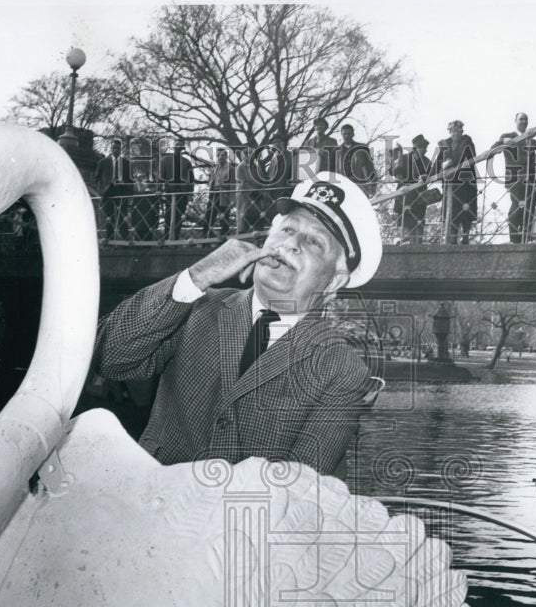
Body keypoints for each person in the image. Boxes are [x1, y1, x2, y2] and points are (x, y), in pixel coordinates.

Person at [93, 172, 383, 476]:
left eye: (314, 242)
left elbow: (299, 486)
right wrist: (197, 275)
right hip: (155, 501)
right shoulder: (195, 306)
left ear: (335, 280)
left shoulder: (342, 369)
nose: (291, 244)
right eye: (287, 229)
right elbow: (108, 357)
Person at [495, 112, 536, 243]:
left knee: (529, 207)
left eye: (526, 119)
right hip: (515, 178)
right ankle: (514, 238)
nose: (524, 121)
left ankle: (524, 237)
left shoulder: (532, 140)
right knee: (517, 205)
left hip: (530, 179)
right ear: (515, 121)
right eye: (521, 119)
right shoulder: (508, 137)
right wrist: (502, 142)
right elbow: (494, 149)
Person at [433, 120, 478, 245]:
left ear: (461, 131)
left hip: (465, 183)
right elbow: (438, 163)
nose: (454, 133)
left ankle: (465, 236)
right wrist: (430, 173)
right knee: (452, 211)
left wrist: (451, 161)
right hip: (450, 184)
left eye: (457, 131)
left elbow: (468, 156)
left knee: (466, 211)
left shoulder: (467, 142)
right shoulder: (445, 144)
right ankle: (452, 237)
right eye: (452, 131)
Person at [388, 135, 434, 244]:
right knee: (407, 224)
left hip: (419, 197)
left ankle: (417, 245)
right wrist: (396, 161)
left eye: (426, 147)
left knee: (419, 223)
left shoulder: (426, 161)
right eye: (424, 147)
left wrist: (426, 176)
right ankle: (407, 242)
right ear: (416, 148)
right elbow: (393, 172)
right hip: (406, 197)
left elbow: (433, 173)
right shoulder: (404, 158)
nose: (426, 150)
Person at [94, 139, 133, 241]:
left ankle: (124, 239)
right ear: (111, 149)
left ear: (121, 149)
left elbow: (130, 180)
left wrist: (127, 188)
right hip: (108, 191)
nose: (115, 150)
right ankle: (109, 239)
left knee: (122, 216)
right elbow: (97, 178)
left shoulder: (126, 163)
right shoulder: (103, 162)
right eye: (113, 148)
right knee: (109, 216)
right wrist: (101, 190)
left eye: (117, 148)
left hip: (121, 190)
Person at [159, 140, 195, 241]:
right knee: (168, 215)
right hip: (170, 192)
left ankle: (175, 239)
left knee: (179, 216)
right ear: (173, 147)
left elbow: (191, 179)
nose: (178, 148)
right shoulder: (165, 160)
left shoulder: (187, 162)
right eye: (177, 146)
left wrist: (190, 193)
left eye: (180, 146)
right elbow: (161, 176)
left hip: (182, 193)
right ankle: (167, 239)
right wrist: (159, 189)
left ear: (183, 149)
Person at [203, 148, 237, 238]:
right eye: (218, 155)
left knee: (224, 218)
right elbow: (212, 181)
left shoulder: (231, 168)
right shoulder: (216, 168)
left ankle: (224, 239)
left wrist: (232, 200)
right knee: (209, 216)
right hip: (214, 195)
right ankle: (206, 239)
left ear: (226, 157)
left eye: (222, 155)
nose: (220, 157)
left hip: (224, 195)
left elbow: (233, 185)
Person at [336, 124, 378, 196]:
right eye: (344, 134)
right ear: (341, 135)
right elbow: (336, 170)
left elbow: (370, 166)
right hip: (345, 185)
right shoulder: (338, 151)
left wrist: (373, 183)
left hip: (361, 183)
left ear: (353, 134)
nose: (346, 136)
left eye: (348, 134)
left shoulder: (362, 147)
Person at [234, 146, 266, 235]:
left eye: (250, 153)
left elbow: (262, 180)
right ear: (242, 155)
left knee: (257, 216)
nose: (248, 155)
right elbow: (241, 182)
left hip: (257, 196)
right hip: (245, 196)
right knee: (244, 217)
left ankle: (258, 236)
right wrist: (251, 191)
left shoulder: (256, 167)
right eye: (245, 153)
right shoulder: (240, 167)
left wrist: (262, 191)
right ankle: (243, 234)